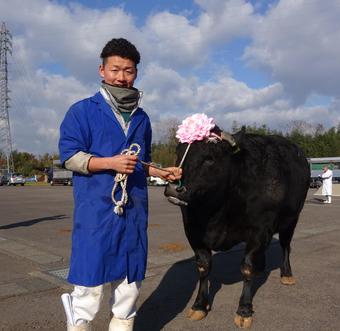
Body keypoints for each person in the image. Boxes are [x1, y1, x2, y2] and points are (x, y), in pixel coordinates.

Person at [58, 38, 181, 331]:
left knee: (129, 283)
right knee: (89, 284)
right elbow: (70, 157)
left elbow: (142, 159)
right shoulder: (82, 111)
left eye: (128, 70)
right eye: (115, 69)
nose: (121, 77)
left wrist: (161, 172)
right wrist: (109, 162)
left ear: (136, 73)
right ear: (102, 70)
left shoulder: (142, 117)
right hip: (96, 211)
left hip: (134, 209)